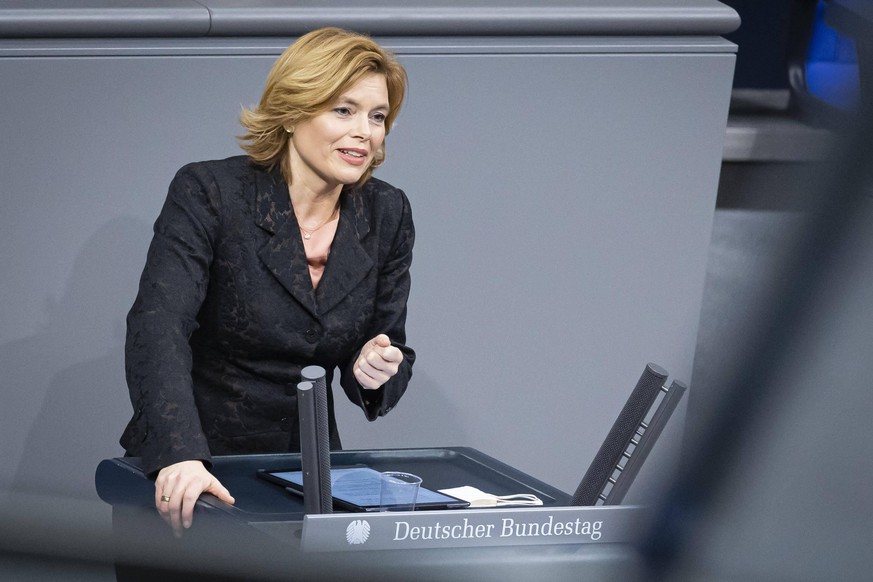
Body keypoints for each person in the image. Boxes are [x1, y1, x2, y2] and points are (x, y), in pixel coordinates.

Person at [120, 27, 415, 537]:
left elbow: (387, 348)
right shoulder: (212, 191)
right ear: (293, 109)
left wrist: (376, 368)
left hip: (312, 484)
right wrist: (181, 455)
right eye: (343, 110)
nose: (365, 132)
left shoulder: (387, 211)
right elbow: (157, 328)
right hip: (198, 470)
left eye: (378, 116)